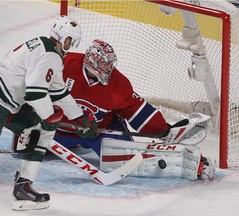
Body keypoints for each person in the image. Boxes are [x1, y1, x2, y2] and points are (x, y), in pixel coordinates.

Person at [0, 15, 98, 211]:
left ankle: (24, 187)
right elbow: (35, 93)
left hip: (4, 100)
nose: (70, 44)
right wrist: (48, 116)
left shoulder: (47, 48)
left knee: (40, 131)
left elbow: (58, 91)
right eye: (70, 40)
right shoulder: (51, 55)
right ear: (65, 38)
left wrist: (79, 118)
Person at [51, 39, 215, 181]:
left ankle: (193, 163)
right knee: (27, 146)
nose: (109, 68)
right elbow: (33, 80)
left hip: (98, 132)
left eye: (110, 63)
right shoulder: (64, 64)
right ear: (92, 61)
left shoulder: (118, 83)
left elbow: (138, 111)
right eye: (104, 63)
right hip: (58, 129)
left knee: (128, 162)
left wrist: (163, 131)